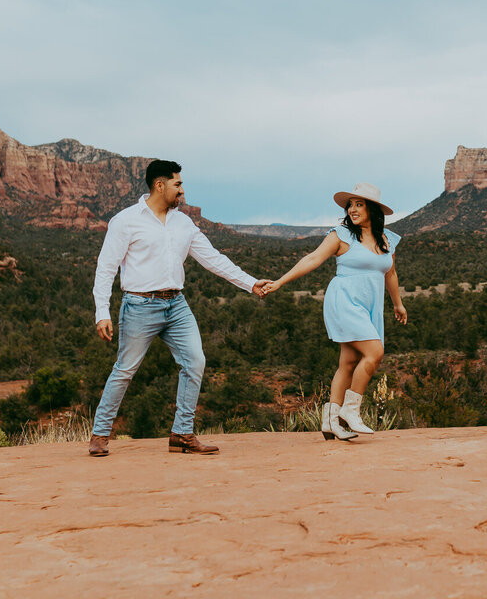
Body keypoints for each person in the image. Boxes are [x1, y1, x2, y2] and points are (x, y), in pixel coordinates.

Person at [89, 159, 274, 457]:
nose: (182, 191)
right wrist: (102, 312)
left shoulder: (183, 222)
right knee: (124, 371)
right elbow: (105, 268)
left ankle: (182, 434)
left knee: (195, 362)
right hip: (138, 305)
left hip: (176, 305)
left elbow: (213, 259)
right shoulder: (125, 221)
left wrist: (250, 284)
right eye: (178, 184)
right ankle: (100, 435)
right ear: (159, 185)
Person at [268, 183, 406, 441]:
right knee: (375, 352)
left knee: (348, 362)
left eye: (359, 204)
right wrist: (280, 281)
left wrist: (398, 304)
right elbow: (312, 259)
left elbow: (391, 273)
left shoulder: (387, 240)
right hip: (344, 301)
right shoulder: (341, 235)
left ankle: (330, 421)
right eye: (350, 204)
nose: (352, 209)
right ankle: (350, 412)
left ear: (373, 209)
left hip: (370, 306)